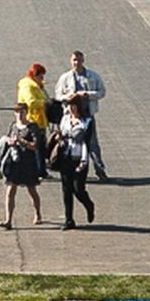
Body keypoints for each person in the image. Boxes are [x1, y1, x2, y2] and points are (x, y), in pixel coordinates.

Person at [53, 51, 107, 179]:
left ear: (83, 61)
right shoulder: (65, 77)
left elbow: (102, 91)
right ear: (70, 61)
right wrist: (68, 96)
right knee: (69, 142)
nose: (76, 63)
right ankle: (69, 169)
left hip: (87, 115)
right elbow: (58, 95)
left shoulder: (92, 76)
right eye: (74, 60)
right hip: (70, 117)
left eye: (79, 60)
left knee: (93, 144)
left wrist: (88, 94)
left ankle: (100, 170)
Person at [53, 94, 97, 230]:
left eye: (74, 106)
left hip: (79, 158)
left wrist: (84, 160)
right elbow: (60, 133)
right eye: (69, 106)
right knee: (66, 190)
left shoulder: (87, 122)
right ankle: (69, 220)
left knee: (78, 189)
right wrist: (59, 139)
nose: (71, 109)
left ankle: (89, 205)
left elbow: (86, 143)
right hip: (65, 157)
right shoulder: (65, 119)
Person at [0, 103, 45, 228]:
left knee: (32, 190)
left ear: (26, 113)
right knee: (10, 190)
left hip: (28, 163)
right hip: (14, 162)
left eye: (22, 112)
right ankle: (8, 220)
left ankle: (38, 213)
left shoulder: (32, 127)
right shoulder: (13, 126)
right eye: (17, 112)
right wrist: (9, 141)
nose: (19, 115)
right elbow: (9, 138)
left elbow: (35, 146)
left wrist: (22, 141)